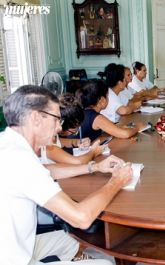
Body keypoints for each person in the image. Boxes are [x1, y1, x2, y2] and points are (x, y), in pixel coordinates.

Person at [0, 85, 133, 265]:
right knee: (104, 263)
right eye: (56, 119)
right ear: (36, 118)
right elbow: (82, 218)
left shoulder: (8, 144)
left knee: (71, 240)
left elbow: (47, 170)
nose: (59, 127)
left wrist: (94, 167)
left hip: (18, 244)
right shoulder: (20, 159)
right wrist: (116, 182)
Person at [41, 93, 105, 165]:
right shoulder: (46, 142)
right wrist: (93, 151)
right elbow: (78, 162)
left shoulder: (51, 133)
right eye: (74, 131)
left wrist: (77, 142)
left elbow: (58, 141)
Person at [76, 80, 141, 141]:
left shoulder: (86, 112)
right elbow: (125, 134)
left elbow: (107, 128)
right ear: (102, 100)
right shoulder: (96, 118)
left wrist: (120, 127)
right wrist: (137, 128)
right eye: (107, 95)